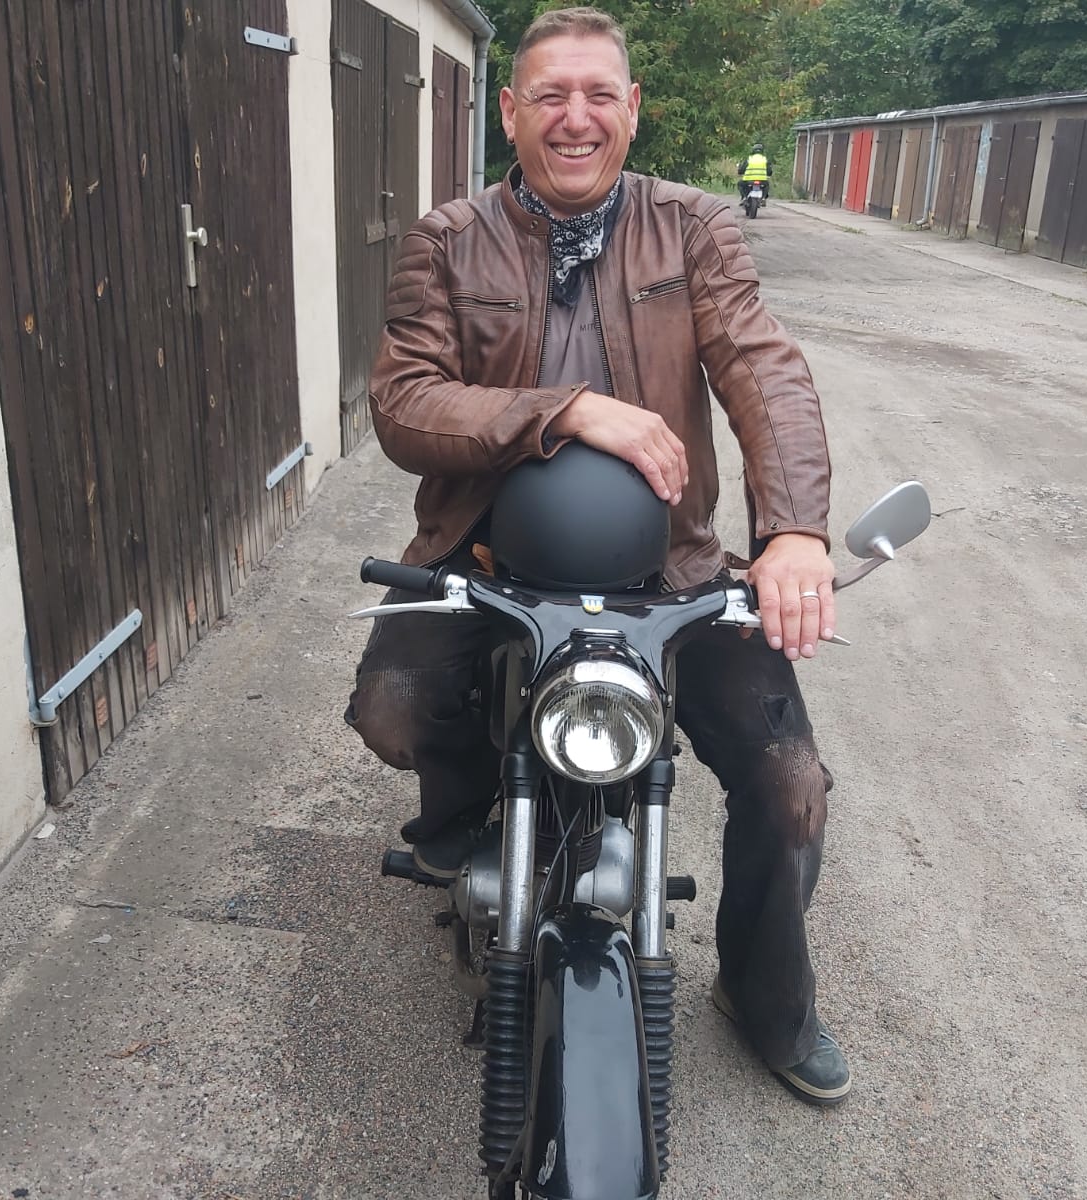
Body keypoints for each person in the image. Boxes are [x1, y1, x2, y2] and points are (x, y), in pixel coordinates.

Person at [344, 7, 850, 1106]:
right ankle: (471, 819)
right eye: (550, 95)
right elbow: (405, 400)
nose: (575, 118)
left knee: (791, 785)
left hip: (671, 569)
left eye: (598, 94)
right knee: (392, 708)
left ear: (631, 109)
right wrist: (566, 409)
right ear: (510, 110)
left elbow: (762, 367)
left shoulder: (693, 227)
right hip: (488, 557)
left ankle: (766, 995)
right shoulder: (447, 238)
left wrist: (794, 531)